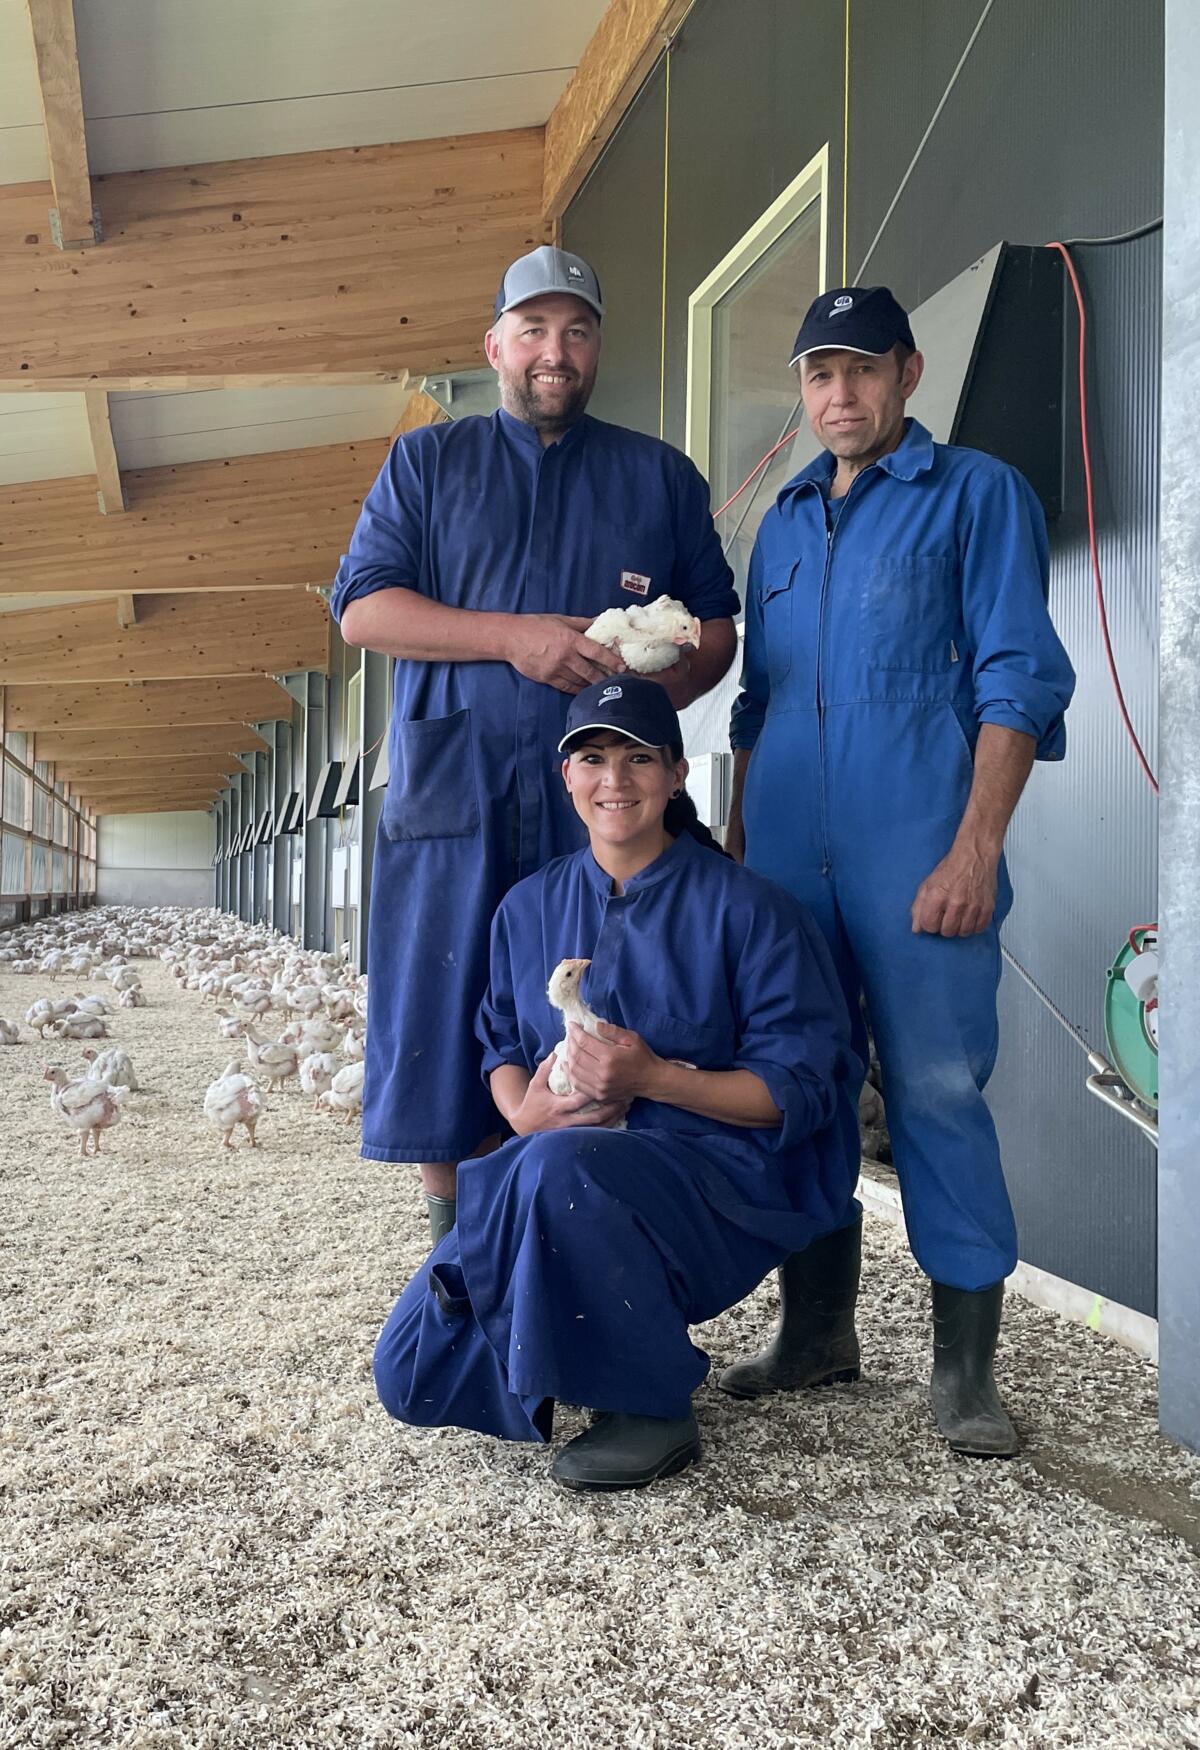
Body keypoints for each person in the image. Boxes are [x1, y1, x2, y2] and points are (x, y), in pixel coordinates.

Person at [719, 285, 1076, 1458]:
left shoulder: (977, 495)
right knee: (800, 1087)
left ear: (908, 374)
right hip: (785, 868)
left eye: (862, 370)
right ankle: (818, 1330)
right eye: (820, 374)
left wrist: (976, 847)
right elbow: (756, 707)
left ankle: (964, 1371)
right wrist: (738, 851)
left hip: (921, 857)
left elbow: (1018, 679)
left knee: (935, 1092)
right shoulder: (777, 525)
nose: (840, 394)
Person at [333, 246, 739, 1241]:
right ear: (495, 346)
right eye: (534, 330)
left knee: (597, 1011)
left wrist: (662, 684)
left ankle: (594, 1244)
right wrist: (512, 637)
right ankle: (458, 1259)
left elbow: (718, 630)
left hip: (603, 809)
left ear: (598, 346)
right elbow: (363, 613)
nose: (555, 351)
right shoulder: (428, 463)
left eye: (578, 330)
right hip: (456, 797)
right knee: (444, 1013)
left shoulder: (659, 476)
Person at [372, 677, 861, 1490]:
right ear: (565, 777)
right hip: (551, 1172)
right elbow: (498, 1040)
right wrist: (523, 1111)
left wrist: (656, 1078)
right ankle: (561, 1338)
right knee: (410, 1373)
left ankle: (651, 1407)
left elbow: (799, 1093)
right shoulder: (527, 909)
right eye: (593, 758)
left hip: (715, 1188)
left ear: (676, 775)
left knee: (560, 1170)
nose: (615, 780)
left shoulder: (751, 911)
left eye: (640, 758)